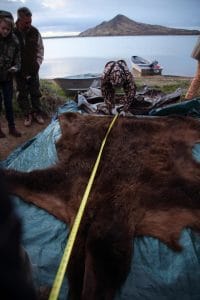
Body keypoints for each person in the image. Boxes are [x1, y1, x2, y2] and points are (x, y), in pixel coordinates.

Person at [14, 7, 45, 127]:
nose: (29, 24)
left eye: (30, 22)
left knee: (35, 92)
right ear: (19, 19)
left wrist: (38, 63)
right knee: (22, 94)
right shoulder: (13, 33)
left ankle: (37, 113)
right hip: (19, 70)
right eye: (26, 22)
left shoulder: (35, 32)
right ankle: (27, 115)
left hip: (33, 68)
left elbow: (40, 49)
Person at [0, 14, 21, 138]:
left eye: (8, 29)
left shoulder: (14, 40)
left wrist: (15, 68)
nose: (5, 31)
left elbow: (18, 61)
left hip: (7, 77)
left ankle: (12, 128)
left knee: (9, 103)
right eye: (3, 28)